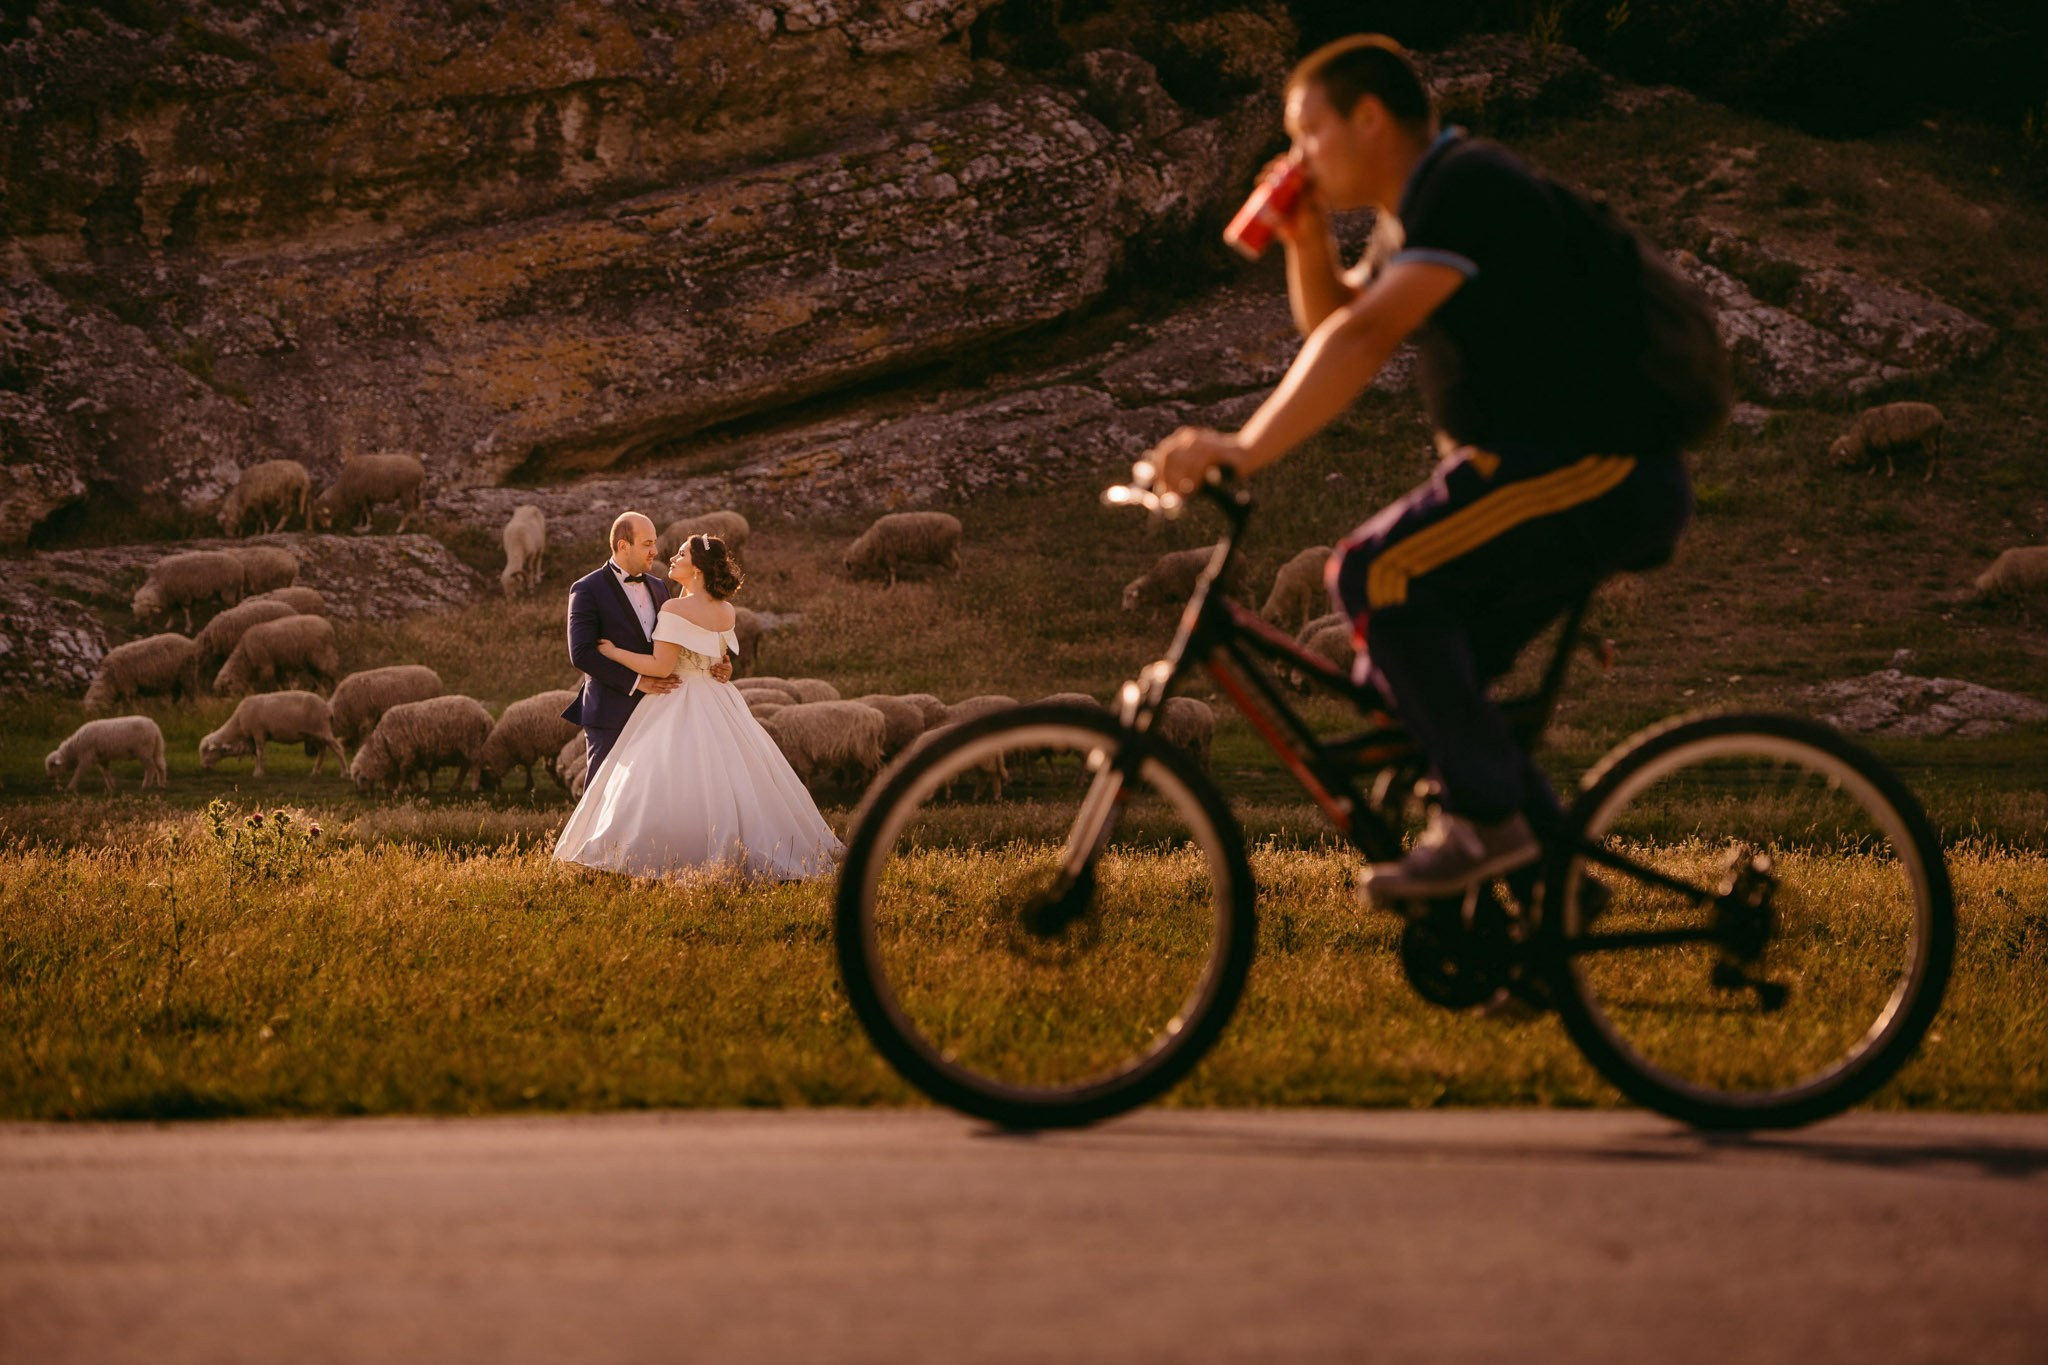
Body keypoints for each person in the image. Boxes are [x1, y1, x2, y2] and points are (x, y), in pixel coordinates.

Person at [1145, 34, 1699, 903]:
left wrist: (1243, 447)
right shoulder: (1419, 211)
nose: (1296, 158)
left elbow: (1361, 342)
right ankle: (1552, 899)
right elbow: (1337, 315)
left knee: (1375, 568)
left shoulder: (1466, 186)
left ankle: (1484, 824)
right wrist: (1306, 234)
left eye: (1306, 136)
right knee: (1430, 695)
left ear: (1368, 118)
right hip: (1531, 469)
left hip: (1593, 466)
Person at [553, 534, 843, 880]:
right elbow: (718, 656)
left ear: (699, 568)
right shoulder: (726, 608)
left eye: (681, 554)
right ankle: (753, 848)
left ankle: (659, 855)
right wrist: (723, 666)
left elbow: (662, 667)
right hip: (719, 698)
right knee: (731, 777)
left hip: (678, 695)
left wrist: (612, 651)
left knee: (665, 780)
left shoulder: (674, 607)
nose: (670, 557)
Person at [562, 511, 731, 774]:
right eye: (647, 544)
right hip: (612, 710)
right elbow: (582, 654)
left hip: (660, 710)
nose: (655, 550)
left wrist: (717, 664)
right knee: (603, 790)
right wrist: (638, 682)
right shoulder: (587, 588)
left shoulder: (659, 587)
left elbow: (677, 642)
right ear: (622, 545)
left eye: (654, 542)